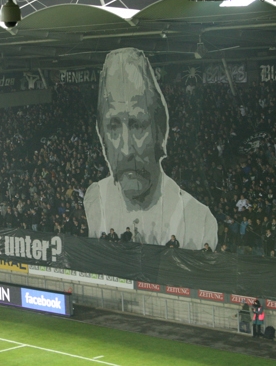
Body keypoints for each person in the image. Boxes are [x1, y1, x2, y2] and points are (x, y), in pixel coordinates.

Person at [84, 48, 218, 250]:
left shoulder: (199, 220)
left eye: (137, 125)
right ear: (101, 135)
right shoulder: (94, 199)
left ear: (160, 131)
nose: (126, 149)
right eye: (113, 126)